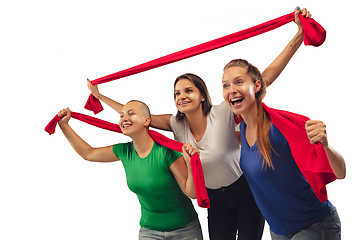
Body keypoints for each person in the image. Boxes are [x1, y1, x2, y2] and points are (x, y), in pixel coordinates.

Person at [87, 7, 311, 239]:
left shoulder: (224, 112)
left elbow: (264, 79)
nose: (181, 96)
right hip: (215, 200)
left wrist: (298, 35)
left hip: (246, 193)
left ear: (202, 95)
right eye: (176, 93)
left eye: (188, 91)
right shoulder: (175, 124)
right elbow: (134, 116)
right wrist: (100, 96)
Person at [221, 58, 345, 239]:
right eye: (225, 85)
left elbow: (341, 172)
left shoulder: (280, 129)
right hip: (279, 231)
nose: (231, 89)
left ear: (256, 86)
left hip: (313, 226)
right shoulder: (244, 127)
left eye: (239, 82)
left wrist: (325, 146)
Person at [57, 100, 203, 240]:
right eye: (121, 116)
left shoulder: (167, 152)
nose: (124, 118)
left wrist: (190, 166)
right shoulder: (124, 151)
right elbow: (88, 153)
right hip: (149, 231)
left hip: (185, 229)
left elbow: (192, 193)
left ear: (146, 121)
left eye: (131, 113)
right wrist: (64, 126)